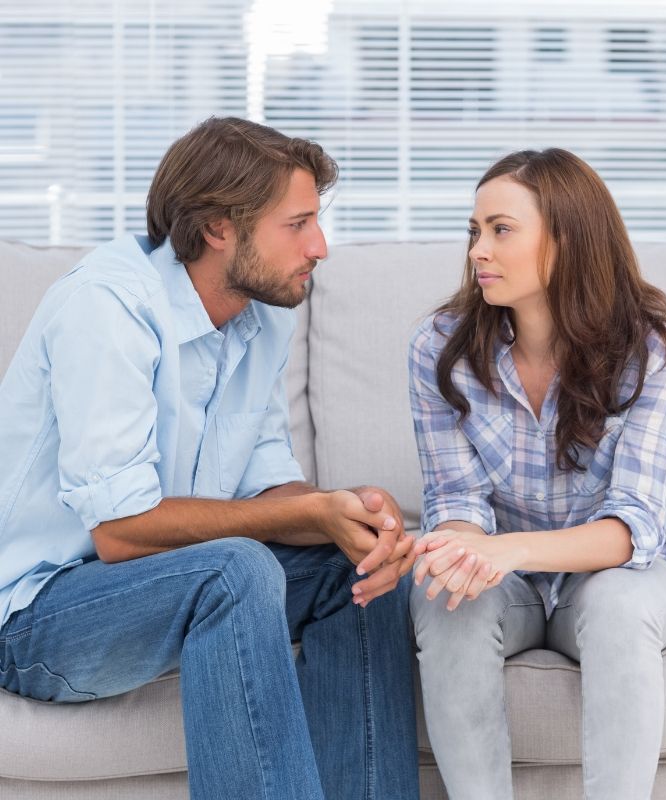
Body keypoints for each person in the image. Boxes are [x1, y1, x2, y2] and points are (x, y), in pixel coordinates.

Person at [0, 117, 419, 800]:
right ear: (220, 227)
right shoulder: (108, 307)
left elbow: (265, 490)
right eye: (297, 224)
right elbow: (121, 531)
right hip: (36, 618)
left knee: (361, 565)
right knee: (236, 568)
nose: (320, 247)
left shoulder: (262, 315)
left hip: (162, 588)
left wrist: (343, 514)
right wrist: (306, 511)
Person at [408, 148, 666, 800]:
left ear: (566, 239)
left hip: (609, 575)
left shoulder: (647, 350)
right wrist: (462, 550)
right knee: (443, 596)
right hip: (506, 584)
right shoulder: (439, 348)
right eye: (474, 231)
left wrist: (506, 549)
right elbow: (456, 496)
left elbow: (633, 528)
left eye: (501, 230)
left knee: (622, 605)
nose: (478, 249)